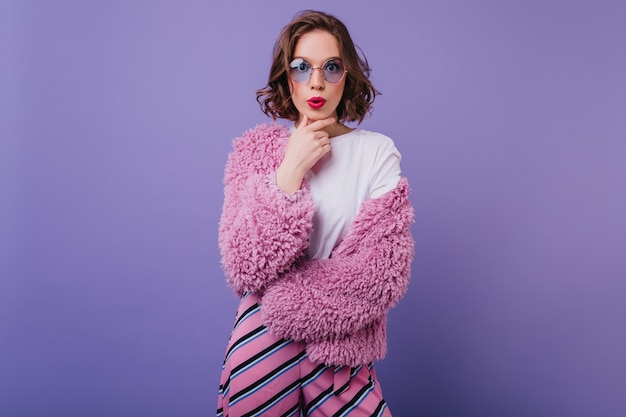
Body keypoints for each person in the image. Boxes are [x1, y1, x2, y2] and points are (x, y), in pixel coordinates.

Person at [216, 10, 414, 417]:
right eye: (302, 67)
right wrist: (290, 170)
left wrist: (285, 300)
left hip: (339, 347)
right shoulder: (257, 152)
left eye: (332, 67)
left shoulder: (376, 152)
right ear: (287, 77)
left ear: (349, 75)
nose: (317, 81)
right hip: (262, 343)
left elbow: (383, 273)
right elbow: (241, 265)